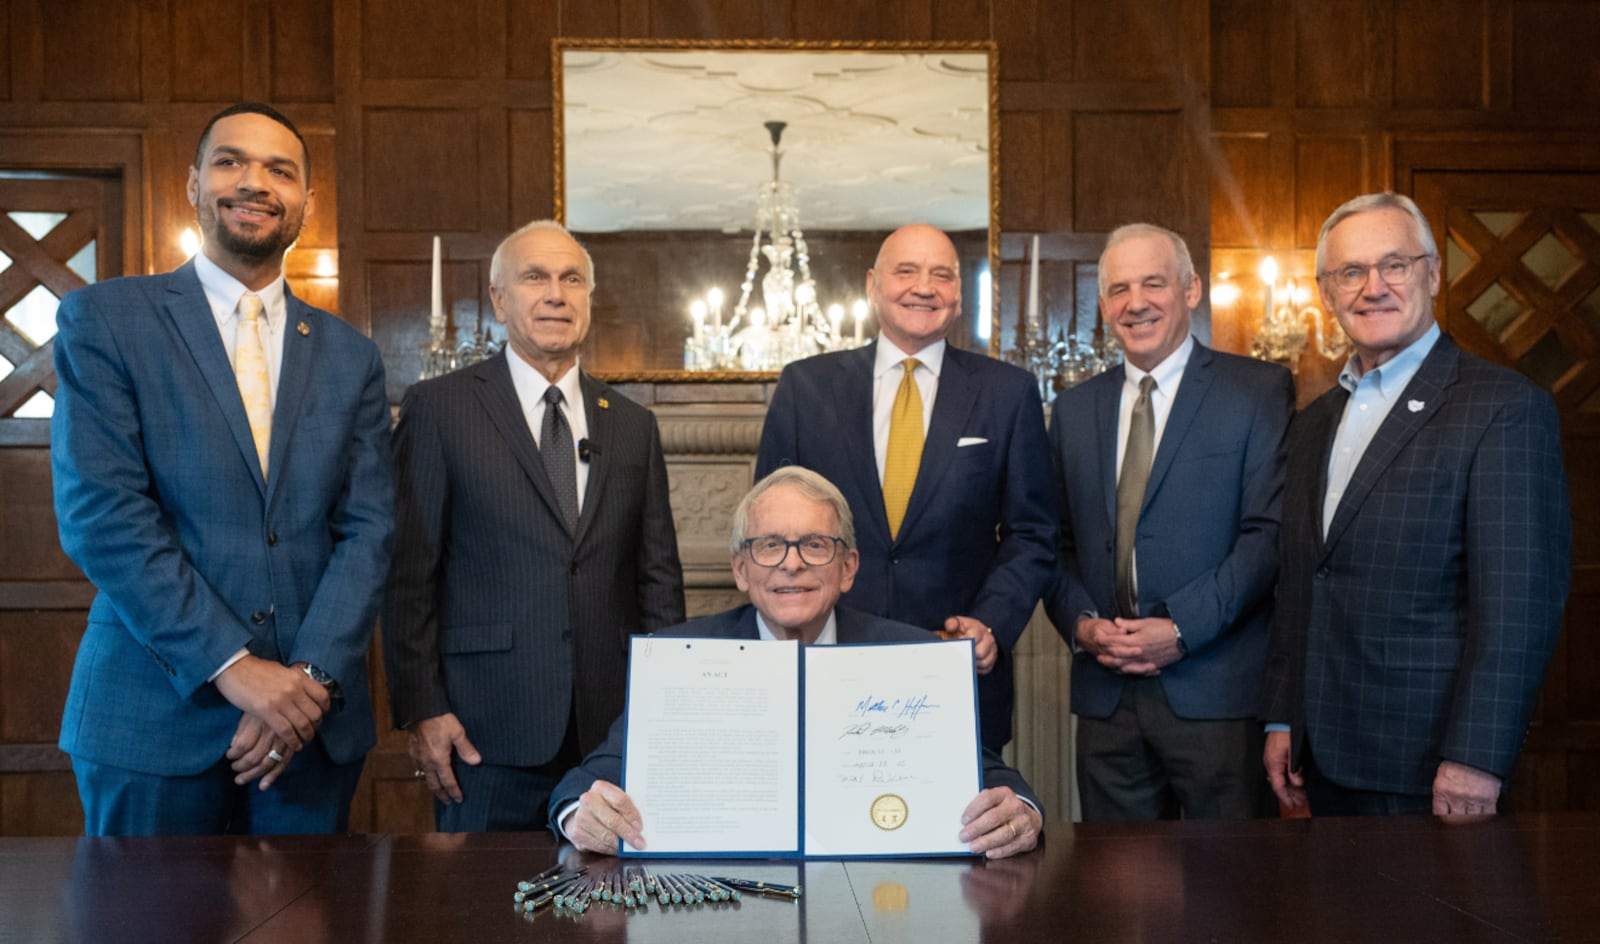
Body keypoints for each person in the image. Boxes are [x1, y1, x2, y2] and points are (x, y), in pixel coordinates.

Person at [51, 103, 394, 835]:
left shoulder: (350, 355)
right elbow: (102, 517)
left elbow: (369, 531)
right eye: (231, 161)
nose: (255, 182)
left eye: (280, 170)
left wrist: (307, 683)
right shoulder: (106, 320)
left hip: (310, 733)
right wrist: (235, 670)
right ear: (193, 184)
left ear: (307, 200)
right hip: (152, 717)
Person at [548, 466, 1043, 860]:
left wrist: (1021, 812)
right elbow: (594, 775)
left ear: (847, 567)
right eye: (769, 545)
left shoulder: (910, 655)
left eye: (814, 544)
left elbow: (988, 774)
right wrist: (579, 814)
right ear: (740, 570)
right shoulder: (682, 656)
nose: (791, 563)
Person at [1261, 192, 1572, 816]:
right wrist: (1282, 717)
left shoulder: (1502, 409)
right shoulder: (1316, 420)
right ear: (1327, 293)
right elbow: (1302, 582)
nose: (1372, 287)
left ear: (1432, 274)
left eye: (1393, 265)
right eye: (1350, 273)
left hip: (1431, 766)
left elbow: (1517, 607)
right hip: (1321, 755)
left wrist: (1477, 757)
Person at [383, 219, 684, 831]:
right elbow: (409, 575)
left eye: (572, 279)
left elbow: (658, 581)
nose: (556, 294)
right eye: (535, 277)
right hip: (483, 730)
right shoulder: (439, 409)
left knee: (607, 915)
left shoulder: (631, 424)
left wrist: (666, 707)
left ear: (589, 299)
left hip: (612, 731)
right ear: (499, 298)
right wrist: (423, 710)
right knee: (484, 918)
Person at [755, 224, 1057, 753]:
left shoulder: (1008, 393)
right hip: (826, 662)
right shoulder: (805, 387)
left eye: (942, 275)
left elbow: (1032, 531)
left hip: (954, 667)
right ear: (873, 284)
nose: (925, 287)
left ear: (959, 297)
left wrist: (990, 624)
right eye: (906, 271)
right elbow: (768, 530)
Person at [1045, 223, 1293, 820]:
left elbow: (1268, 537)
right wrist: (1081, 625)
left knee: (1229, 896)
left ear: (1191, 290)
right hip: (1106, 699)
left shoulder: (1257, 391)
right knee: (1116, 900)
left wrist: (1180, 628)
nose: (1136, 303)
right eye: (1119, 290)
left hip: (1215, 692)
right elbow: (1052, 544)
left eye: (1153, 283)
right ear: (1103, 307)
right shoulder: (1074, 411)